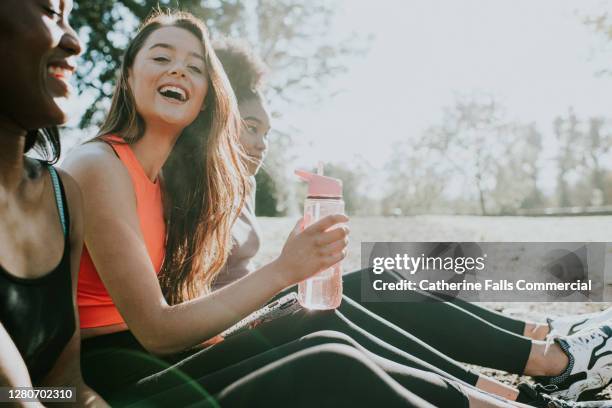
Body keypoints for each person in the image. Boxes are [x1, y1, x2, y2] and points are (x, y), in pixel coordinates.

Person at [61, 10, 523, 408]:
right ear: (127, 75)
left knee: (322, 325)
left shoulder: (163, 183)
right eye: (161, 58)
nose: (178, 71)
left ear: (207, 96)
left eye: (195, 67)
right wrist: (285, 270)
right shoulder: (100, 165)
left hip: (154, 360)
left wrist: (290, 286)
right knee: (328, 362)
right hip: (110, 381)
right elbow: (157, 330)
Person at [209, 39, 612, 404]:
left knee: (374, 279)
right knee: (337, 307)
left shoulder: (234, 185)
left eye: (265, 130)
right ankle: (544, 372)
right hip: (218, 337)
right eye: (249, 128)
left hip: (238, 315)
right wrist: (284, 275)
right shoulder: (182, 186)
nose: (261, 142)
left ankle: (545, 340)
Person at [0, 1, 107, 406]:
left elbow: (65, 387)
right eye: (50, 10)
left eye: (71, 16)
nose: (75, 41)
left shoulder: (64, 196)